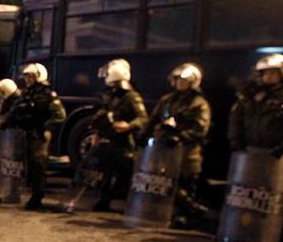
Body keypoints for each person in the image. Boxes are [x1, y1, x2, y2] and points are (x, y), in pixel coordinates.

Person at [143, 63, 211, 227]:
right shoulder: (167, 100)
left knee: (185, 184)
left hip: (187, 152)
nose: (179, 83)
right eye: (177, 79)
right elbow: (153, 119)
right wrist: (144, 134)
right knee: (165, 182)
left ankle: (189, 213)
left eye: (183, 80)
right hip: (165, 149)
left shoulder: (198, 103)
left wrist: (181, 136)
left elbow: (200, 128)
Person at [229, 53, 283, 164]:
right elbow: (236, 120)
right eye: (265, 73)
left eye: (273, 72)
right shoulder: (250, 95)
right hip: (252, 153)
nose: (268, 76)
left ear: (282, 73)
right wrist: (238, 144)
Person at [88, 58, 148, 212]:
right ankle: (103, 200)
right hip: (109, 139)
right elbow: (104, 117)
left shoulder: (131, 97)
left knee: (123, 175)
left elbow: (142, 119)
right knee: (105, 172)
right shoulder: (111, 95)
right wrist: (97, 133)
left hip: (124, 142)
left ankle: (127, 205)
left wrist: (129, 125)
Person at [13, 63, 65, 210]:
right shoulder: (28, 93)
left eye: (31, 76)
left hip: (40, 134)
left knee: (39, 165)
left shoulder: (47, 94)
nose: (28, 79)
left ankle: (38, 197)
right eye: (26, 76)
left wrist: (44, 127)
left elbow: (60, 115)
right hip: (30, 132)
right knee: (32, 165)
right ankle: (34, 195)